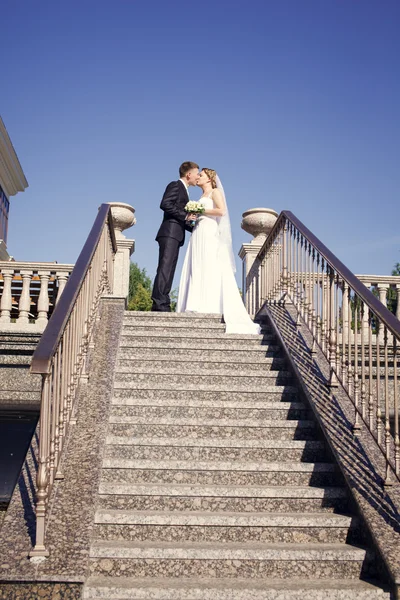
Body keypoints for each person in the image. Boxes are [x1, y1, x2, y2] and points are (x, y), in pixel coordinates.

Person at [177, 168, 261, 334]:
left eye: (201, 175)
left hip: (209, 233)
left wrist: (200, 210)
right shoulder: (200, 197)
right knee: (197, 266)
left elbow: (221, 211)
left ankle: (209, 304)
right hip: (198, 232)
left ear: (209, 178)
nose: (198, 177)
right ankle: (195, 303)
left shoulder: (215, 192)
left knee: (209, 266)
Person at [151, 161, 199, 312]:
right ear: (188, 174)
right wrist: (186, 216)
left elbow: (181, 216)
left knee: (169, 269)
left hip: (176, 235)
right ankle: (159, 304)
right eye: (196, 173)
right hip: (169, 233)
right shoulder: (175, 185)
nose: (198, 177)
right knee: (165, 268)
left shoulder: (185, 191)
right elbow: (165, 204)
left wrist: (196, 227)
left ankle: (164, 302)